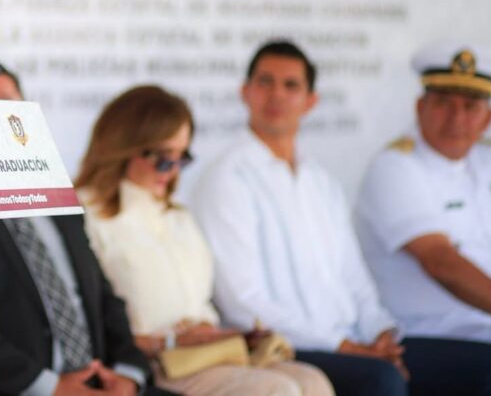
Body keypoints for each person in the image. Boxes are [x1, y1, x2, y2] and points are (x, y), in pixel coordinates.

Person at [191, 40, 491, 396]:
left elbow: (354, 276)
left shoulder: (319, 181)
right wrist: (343, 346)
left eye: (291, 86)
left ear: (310, 101)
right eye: (265, 83)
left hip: (353, 339)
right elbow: (243, 303)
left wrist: (381, 332)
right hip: (290, 345)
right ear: (245, 92)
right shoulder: (227, 178)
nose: (277, 96)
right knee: (381, 380)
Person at [74, 84, 334, 396]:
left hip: (211, 355)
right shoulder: (86, 216)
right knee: (275, 390)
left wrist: (217, 334)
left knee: (313, 382)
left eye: (181, 158)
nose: (171, 171)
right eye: (163, 159)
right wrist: (170, 341)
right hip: (154, 362)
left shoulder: (178, 216)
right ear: (123, 148)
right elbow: (91, 326)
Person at [0, 66, 169, 396]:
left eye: (6, 102)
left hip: (104, 382)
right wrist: (50, 387)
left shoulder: (56, 194)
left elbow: (102, 297)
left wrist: (127, 374)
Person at [355, 42, 491, 358]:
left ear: (488, 119)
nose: (456, 118)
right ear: (420, 108)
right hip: (430, 332)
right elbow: (441, 263)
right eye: (443, 103)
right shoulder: (395, 167)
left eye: (470, 107)